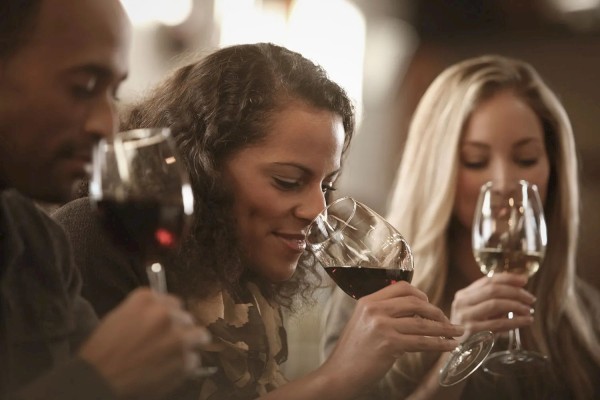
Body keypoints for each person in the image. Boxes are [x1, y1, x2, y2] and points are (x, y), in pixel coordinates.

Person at [53, 42, 464, 399]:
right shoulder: (99, 238)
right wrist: (338, 377)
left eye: (327, 184)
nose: (318, 211)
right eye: (287, 181)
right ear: (204, 166)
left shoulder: (238, 271)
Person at [322, 54, 600, 399]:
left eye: (526, 159)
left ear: (554, 169)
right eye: (475, 161)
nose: (503, 182)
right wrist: (456, 353)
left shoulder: (587, 318)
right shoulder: (370, 299)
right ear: (435, 171)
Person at [0, 1, 211, 399]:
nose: (106, 126)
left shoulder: (38, 243)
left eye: (113, 92)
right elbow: (105, 373)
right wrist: (97, 380)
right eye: (83, 87)